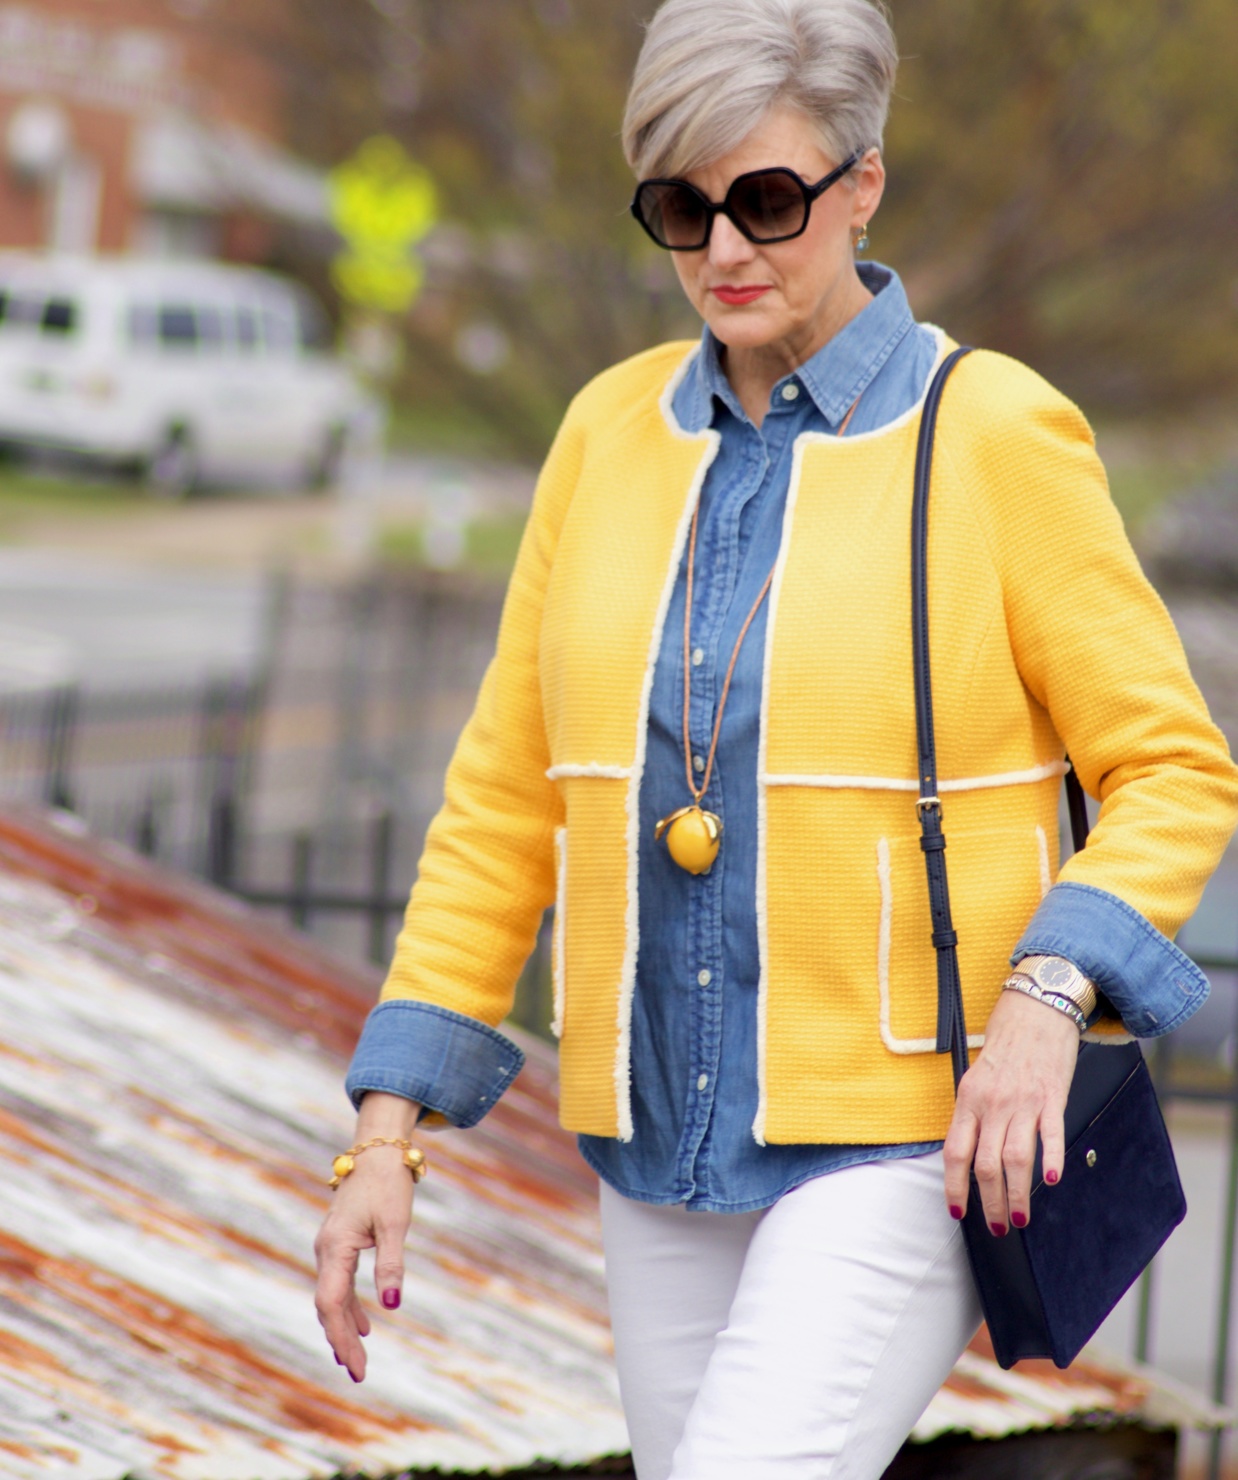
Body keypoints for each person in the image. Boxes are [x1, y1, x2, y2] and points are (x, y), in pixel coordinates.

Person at [314, 1, 1238, 1474]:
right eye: (682, 208)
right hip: (656, 1151)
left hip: (905, 1138)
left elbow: (1174, 768)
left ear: (861, 184)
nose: (723, 251)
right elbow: (503, 800)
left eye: (766, 199)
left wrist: (1046, 999)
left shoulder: (992, 432)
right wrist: (384, 1132)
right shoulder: (605, 436)